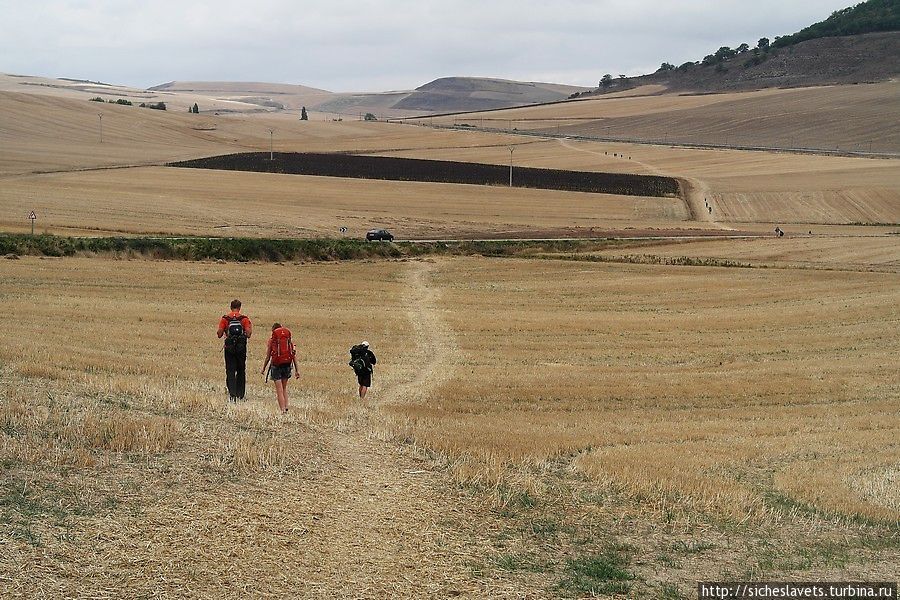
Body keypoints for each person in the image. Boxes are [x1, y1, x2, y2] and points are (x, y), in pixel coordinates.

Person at [217, 299, 252, 402]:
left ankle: (232, 394)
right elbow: (249, 334)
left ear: (230, 307)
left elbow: (219, 334)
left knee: (230, 370)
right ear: (240, 308)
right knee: (241, 370)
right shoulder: (244, 319)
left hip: (229, 348)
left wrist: (225, 332)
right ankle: (240, 394)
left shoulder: (225, 318)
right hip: (241, 347)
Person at [261, 323, 299, 414]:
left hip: (276, 365)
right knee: (284, 388)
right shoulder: (288, 341)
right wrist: (297, 370)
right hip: (287, 364)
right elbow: (293, 356)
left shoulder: (272, 341)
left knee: (279, 390)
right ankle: (286, 407)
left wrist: (263, 368)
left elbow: (268, 356)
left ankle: (282, 410)